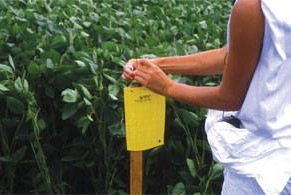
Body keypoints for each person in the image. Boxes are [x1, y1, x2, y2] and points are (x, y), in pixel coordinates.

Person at [122, 0, 291, 194]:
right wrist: (158, 64)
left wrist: (168, 87)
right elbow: (230, 55)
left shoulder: (251, 6)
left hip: (262, 168)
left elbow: (229, 98)